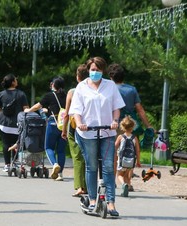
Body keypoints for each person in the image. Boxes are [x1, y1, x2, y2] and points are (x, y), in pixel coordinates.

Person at [69, 56, 125, 217]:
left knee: (108, 167)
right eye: (93, 70)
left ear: (103, 71)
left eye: (98, 70)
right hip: (87, 133)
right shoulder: (81, 87)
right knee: (92, 166)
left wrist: (115, 121)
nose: (95, 73)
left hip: (108, 132)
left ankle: (111, 203)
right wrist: (79, 123)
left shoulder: (110, 86)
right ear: (88, 70)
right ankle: (93, 200)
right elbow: (76, 110)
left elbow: (116, 107)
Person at [108, 63, 154, 191]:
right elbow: (140, 109)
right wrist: (148, 126)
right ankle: (128, 182)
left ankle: (113, 180)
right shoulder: (131, 89)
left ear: (111, 76)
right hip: (131, 124)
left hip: (115, 123)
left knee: (115, 152)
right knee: (130, 152)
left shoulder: (109, 89)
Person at [24, 77, 67, 181]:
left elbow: (37, 106)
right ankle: (60, 174)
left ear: (53, 85)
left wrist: (28, 110)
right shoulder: (67, 96)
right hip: (65, 124)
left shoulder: (49, 96)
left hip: (53, 123)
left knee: (48, 147)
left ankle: (54, 164)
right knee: (61, 151)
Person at [0, 74, 29, 172]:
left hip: (4, 122)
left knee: (6, 143)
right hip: (17, 123)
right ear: (12, 82)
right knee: (17, 143)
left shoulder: (2, 94)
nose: (17, 81)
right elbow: (26, 109)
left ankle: (7, 165)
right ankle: (15, 162)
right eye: (15, 80)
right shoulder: (21, 94)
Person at [62, 64, 88, 196]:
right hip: (90, 126)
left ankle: (79, 186)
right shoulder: (93, 89)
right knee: (89, 157)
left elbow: (66, 113)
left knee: (77, 156)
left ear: (77, 77)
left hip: (74, 126)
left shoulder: (72, 92)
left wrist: (64, 130)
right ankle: (89, 185)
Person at [115, 115, 141, 197]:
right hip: (131, 161)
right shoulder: (135, 138)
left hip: (122, 160)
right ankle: (127, 186)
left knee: (119, 175)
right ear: (133, 127)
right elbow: (137, 150)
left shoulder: (120, 137)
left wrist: (114, 156)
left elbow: (115, 147)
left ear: (122, 127)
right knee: (126, 175)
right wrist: (138, 161)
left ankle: (123, 185)